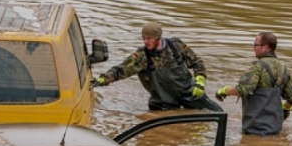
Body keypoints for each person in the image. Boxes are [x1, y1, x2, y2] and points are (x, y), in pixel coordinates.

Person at [93, 22, 223, 112]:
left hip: (190, 95)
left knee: (218, 113)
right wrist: (102, 80)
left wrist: (199, 81)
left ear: (158, 37)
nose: (145, 41)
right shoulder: (141, 57)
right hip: (163, 104)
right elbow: (119, 71)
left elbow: (197, 63)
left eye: (149, 38)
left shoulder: (176, 46)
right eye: (143, 38)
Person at [215, 32, 292, 135]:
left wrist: (225, 90)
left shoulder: (258, 67)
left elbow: (242, 90)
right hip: (275, 128)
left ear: (265, 47)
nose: (253, 48)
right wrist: (285, 107)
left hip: (255, 129)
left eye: (256, 45)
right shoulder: (283, 68)